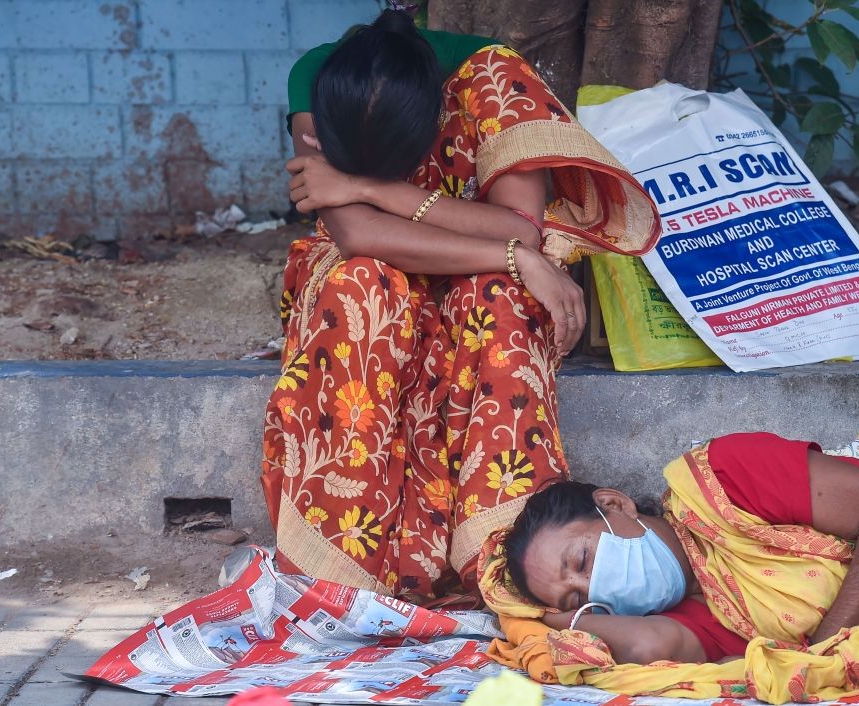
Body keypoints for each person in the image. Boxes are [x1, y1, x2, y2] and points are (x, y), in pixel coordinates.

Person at [261, 10, 660, 601]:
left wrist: (374, 190)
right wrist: (511, 254)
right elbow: (356, 234)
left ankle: (502, 557)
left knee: (497, 296)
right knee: (363, 284)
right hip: (378, 268)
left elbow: (519, 229)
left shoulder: (492, 77)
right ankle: (349, 568)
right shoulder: (317, 75)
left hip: (478, 272)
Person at [480, 429, 859, 697]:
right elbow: (647, 646)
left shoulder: (721, 479)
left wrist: (823, 650)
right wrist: (553, 619)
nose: (597, 585)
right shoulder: (697, 615)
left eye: (584, 558)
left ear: (615, 505)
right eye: (578, 596)